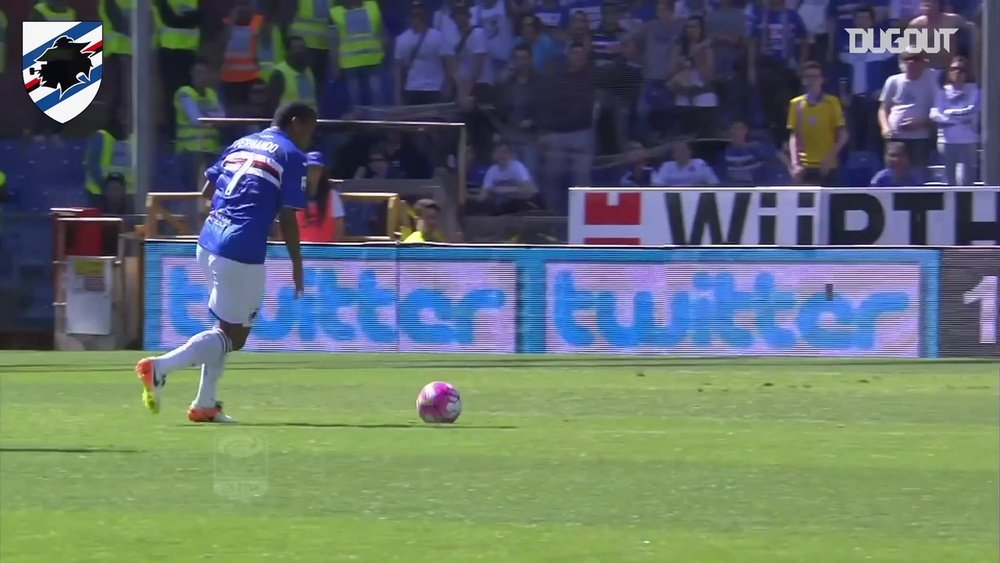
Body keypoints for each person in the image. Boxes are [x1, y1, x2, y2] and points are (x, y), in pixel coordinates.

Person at [135, 102, 317, 424]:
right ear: (296, 122)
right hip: (241, 248)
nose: (309, 137)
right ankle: (160, 367)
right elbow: (288, 217)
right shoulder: (292, 155)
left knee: (222, 328)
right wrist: (297, 263)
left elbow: (208, 190)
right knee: (234, 337)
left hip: (208, 240)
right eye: (309, 128)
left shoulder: (242, 142)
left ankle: (205, 403)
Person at [787, 61, 848, 186]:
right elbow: (794, 135)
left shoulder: (832, 102)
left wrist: (829, 158)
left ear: (822, 79)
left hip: (827, 165)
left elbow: (843, 135)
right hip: (804, 166)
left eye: (816, 76)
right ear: (803, 80)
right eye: (808, 77)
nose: (812, 80)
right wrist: (795, 163)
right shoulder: (796, 104)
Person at [878, 51, 937, 173]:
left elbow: (940, 112)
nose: (911, 62)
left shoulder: (932, 80)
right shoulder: (893, 81)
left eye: (916, 58)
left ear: (922, 62)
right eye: (907, 58)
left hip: (919, 139)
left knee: (918, 175)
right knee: (893, 175)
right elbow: (883, 108)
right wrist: (885, 128)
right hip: (895, 138)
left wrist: (922, 123)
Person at [930, 55, 980, 185]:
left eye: (961, 69)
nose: (957, 72)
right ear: (949, 72)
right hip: (947, 142)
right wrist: (957, 120)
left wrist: (949, 114)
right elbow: (935, 114)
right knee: (949, 181)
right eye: (954, 69)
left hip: (968, 141)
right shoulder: (942, 92)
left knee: (966, 180)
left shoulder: (975, 90)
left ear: (966, 72)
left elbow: (972, 109)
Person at [298, 152, 346, 242]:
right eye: (310, 169)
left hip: (325, 253)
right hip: (298, 252)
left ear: (322, 172)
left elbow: (339, 229)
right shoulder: (294, 195)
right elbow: (284, 227)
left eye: (316, 169)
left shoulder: (333, 196)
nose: (313, 173)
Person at [652, 140, 720, 186]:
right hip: (673, 198)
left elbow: (713, 183)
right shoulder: (667, 166)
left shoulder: (700, 164)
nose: (681, 153)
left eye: (683, 150)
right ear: (673, 155)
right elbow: (656, 185)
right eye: (677, 151)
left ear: (690, 152)